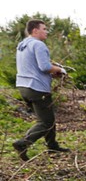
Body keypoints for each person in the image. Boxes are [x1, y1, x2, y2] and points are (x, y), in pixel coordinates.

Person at [12, 19, 69, 161]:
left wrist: (52, 71)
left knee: (47, 117)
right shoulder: (38, 45)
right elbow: (44, 67)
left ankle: (52, 145)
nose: (46, 31)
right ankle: (23, 143)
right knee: (46, 122)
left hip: (23, 87)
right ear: (35, 31)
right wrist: (61, 70)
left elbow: (34, 66)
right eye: (44, 29)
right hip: (37, 88)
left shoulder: (22, 45)